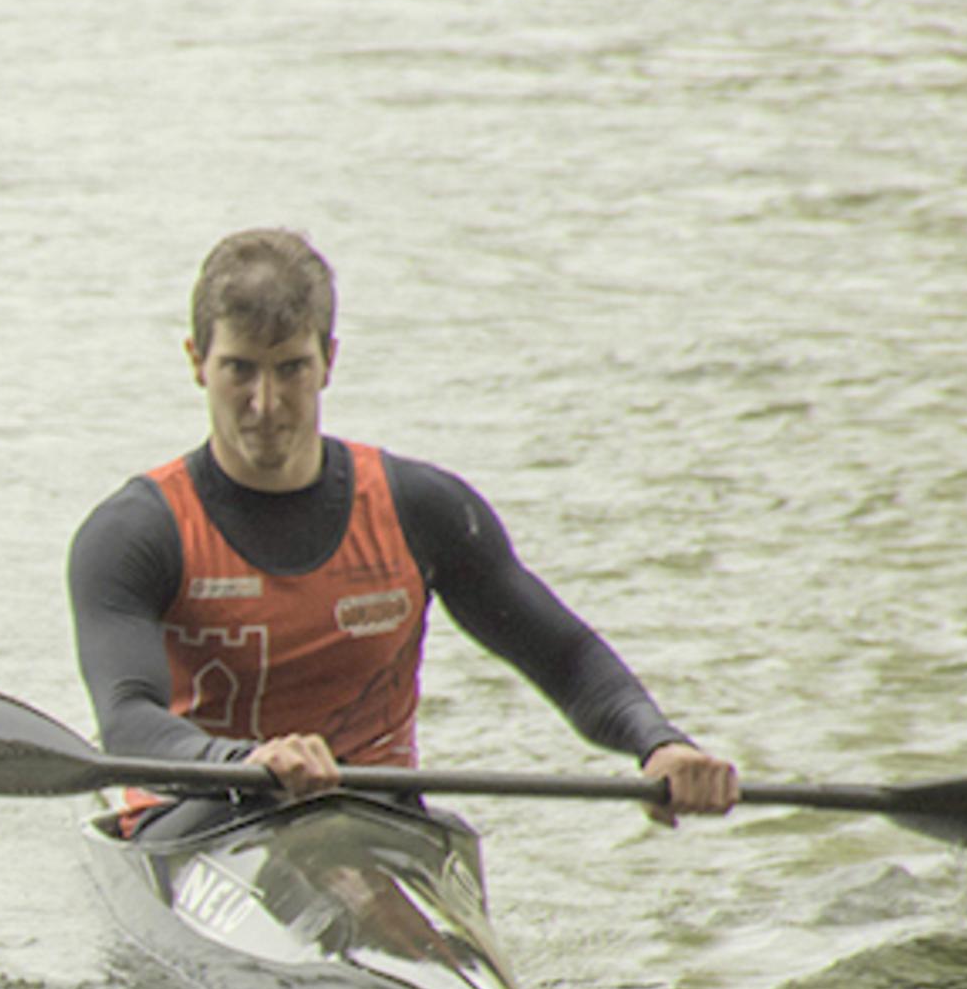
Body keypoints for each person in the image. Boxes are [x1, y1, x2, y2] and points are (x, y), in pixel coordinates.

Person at [67, 227, 737, 825]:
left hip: (374, 817)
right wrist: (247, 762)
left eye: (290, 369)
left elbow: (564, 656)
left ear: (328, 359)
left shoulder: (421, 510)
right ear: (195, 362)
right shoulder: (134, 534)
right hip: (197, 811)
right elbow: (126, 720)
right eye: (238, 369)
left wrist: (659, 742)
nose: (265, 404)